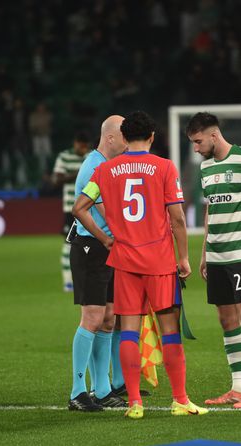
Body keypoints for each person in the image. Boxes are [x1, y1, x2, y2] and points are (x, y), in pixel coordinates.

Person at [74, 110, 208, 420]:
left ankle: (134, 403)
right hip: (159, 262)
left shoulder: (105, 170)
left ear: (124, 137)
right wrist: (183, 257)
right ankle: (180, 400)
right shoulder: (164, 167)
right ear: (151, 136)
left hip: (124, 263)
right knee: (170, 331)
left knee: (129, 333)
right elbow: (177, 218)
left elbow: (79, 208)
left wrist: (106, 239)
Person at [186, 112, 241, 409]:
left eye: (198, 141)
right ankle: (238, 387)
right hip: (217, 256)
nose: (196, 148)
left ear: (214, 135)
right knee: (226, 320)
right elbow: (210, 210)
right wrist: (204, 253)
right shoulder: (205, 167)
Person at [66, 116, 128, 412]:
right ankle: (77, 391)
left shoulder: (107, 165)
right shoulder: (94, 166)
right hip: (92, 247)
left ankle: (102, 389)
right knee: (92, 317)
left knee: (108, 318)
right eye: (124, 137)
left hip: (107, 248)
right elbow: (98, 211)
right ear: (111, 138)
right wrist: (110, 238)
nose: (128, 143)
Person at [53, 132, 91, 292]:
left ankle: (85, 278)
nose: (83, 150)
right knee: (69, 243)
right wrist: (80, 173)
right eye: (80, 146)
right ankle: (68, 281)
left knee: (89, 243)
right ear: (75, 143)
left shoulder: (90, 156)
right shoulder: (64, 157)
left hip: (90, 208)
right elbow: (56, 180)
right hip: (71, 209)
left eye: (85, 147)